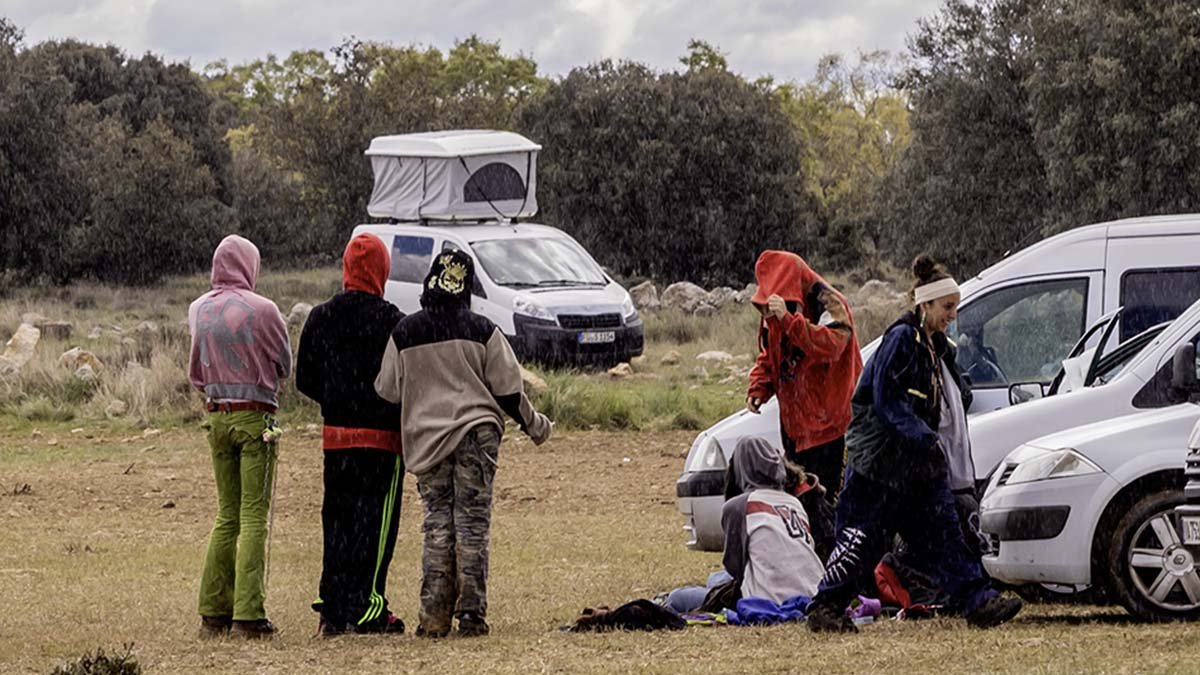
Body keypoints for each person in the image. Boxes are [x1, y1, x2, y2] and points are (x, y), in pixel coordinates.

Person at [806, 255, 1022, 633]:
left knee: (945, 534)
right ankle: (825, 607)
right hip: (879, 464)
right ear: (925, 304)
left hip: (918, 465)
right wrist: (924, 436)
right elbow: (887, 398)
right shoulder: (902, 339)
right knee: (860, 537)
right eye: (947, 307)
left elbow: (949, 395)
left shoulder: (937, 346)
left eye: (954, 306)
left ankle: (978, 601)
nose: (953, 314)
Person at [374, 249, 553, 638]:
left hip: (427, 442)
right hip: (477, 435)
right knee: (471, 522)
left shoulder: (404, 332)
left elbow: (388, 391)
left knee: (437, 523)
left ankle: (433, 617)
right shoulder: (483, 329)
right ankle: (471, 614)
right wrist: (535, 425)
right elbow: (508, 391)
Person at [297, 234, 406, 637]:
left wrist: (336, 400)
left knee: (338, 524)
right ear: (382, 271)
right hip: (382, 441)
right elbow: (406, 381)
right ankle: (368, 608)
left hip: (337, 438)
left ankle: (332, 609)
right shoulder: (393, 322)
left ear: (346, 268)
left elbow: (304, 378)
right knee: (375, 526)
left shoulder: (320, 317)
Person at [190, 235, 291, 640]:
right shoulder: (264, 310)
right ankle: (248, 615)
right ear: (250, 266)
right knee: (252, 517)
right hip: (255, 418)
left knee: (226, 515)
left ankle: (213, 612)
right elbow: (283, 364)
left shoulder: (199, 309)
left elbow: (196, 372)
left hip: (216, 417)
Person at [746, 250, 862, 560]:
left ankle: (836, 568)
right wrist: (760, 385)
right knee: (801, 502)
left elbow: (831, 346)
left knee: (830, 506)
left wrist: (790, 320)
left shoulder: (830, 304)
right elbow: (771, 353)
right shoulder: (774, 314)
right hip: (796, 428)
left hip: (832, 428)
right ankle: (807, 565)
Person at [664, 437, 824, 614]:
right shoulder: (794, 502)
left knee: (678, 597)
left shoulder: (740, 505)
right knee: (716, 578)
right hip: (812, 593)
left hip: (769, 599)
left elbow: (734, 566)